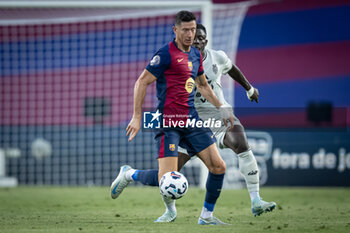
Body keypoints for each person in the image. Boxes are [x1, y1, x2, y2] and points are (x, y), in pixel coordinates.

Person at [111, 23, 276, 218]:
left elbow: (232, 69)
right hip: (189, 123)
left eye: (200, 38)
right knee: (166, 177)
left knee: (241, 144)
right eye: (192, 36)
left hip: (217, 118)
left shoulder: (217, 57)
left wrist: (249, 89)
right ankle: (131, 175)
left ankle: (255, 200)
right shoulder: (175, 61)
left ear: (206, 40)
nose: (196, 40)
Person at [111, 11, 234, 225]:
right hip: (168, 123)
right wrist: (137, 117)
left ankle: (206, 216)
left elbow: (203, 85)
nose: (190, 34)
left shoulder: (195, 54)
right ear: (175, 30)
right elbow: (141, 82)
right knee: (164, 178)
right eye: (185, 30)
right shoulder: (165, 54)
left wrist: (222, 108)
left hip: (192, 121)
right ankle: (132, 177)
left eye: (193, 30)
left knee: (218, 167)